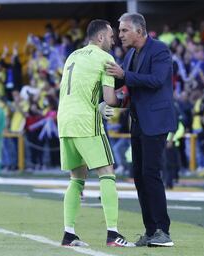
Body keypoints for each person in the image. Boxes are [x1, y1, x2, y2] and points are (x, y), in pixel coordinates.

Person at [57, 19, 134, 247]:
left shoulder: (73, 56)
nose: (114, 39)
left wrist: (98, 104)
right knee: (107, 172)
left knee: (76, 178)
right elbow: (110, 99)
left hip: (65, 120)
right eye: (111, 36)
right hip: (85, 122)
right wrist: (126, 101)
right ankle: (113, 234)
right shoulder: (105, 58)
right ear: (100, 37)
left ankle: (69, 234)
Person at [106, 12, 176, 247]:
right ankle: (151, 230)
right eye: (119, 30)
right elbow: (121, 83)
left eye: (124, 30)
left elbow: (156, 80)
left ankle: (163, 231)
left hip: (155, 121)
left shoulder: (160, 50)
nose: (120, 34)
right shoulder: (130, 55)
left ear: (139, 30)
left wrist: (124, 75)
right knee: (140, 177)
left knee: (150, 174)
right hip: (138, 122)